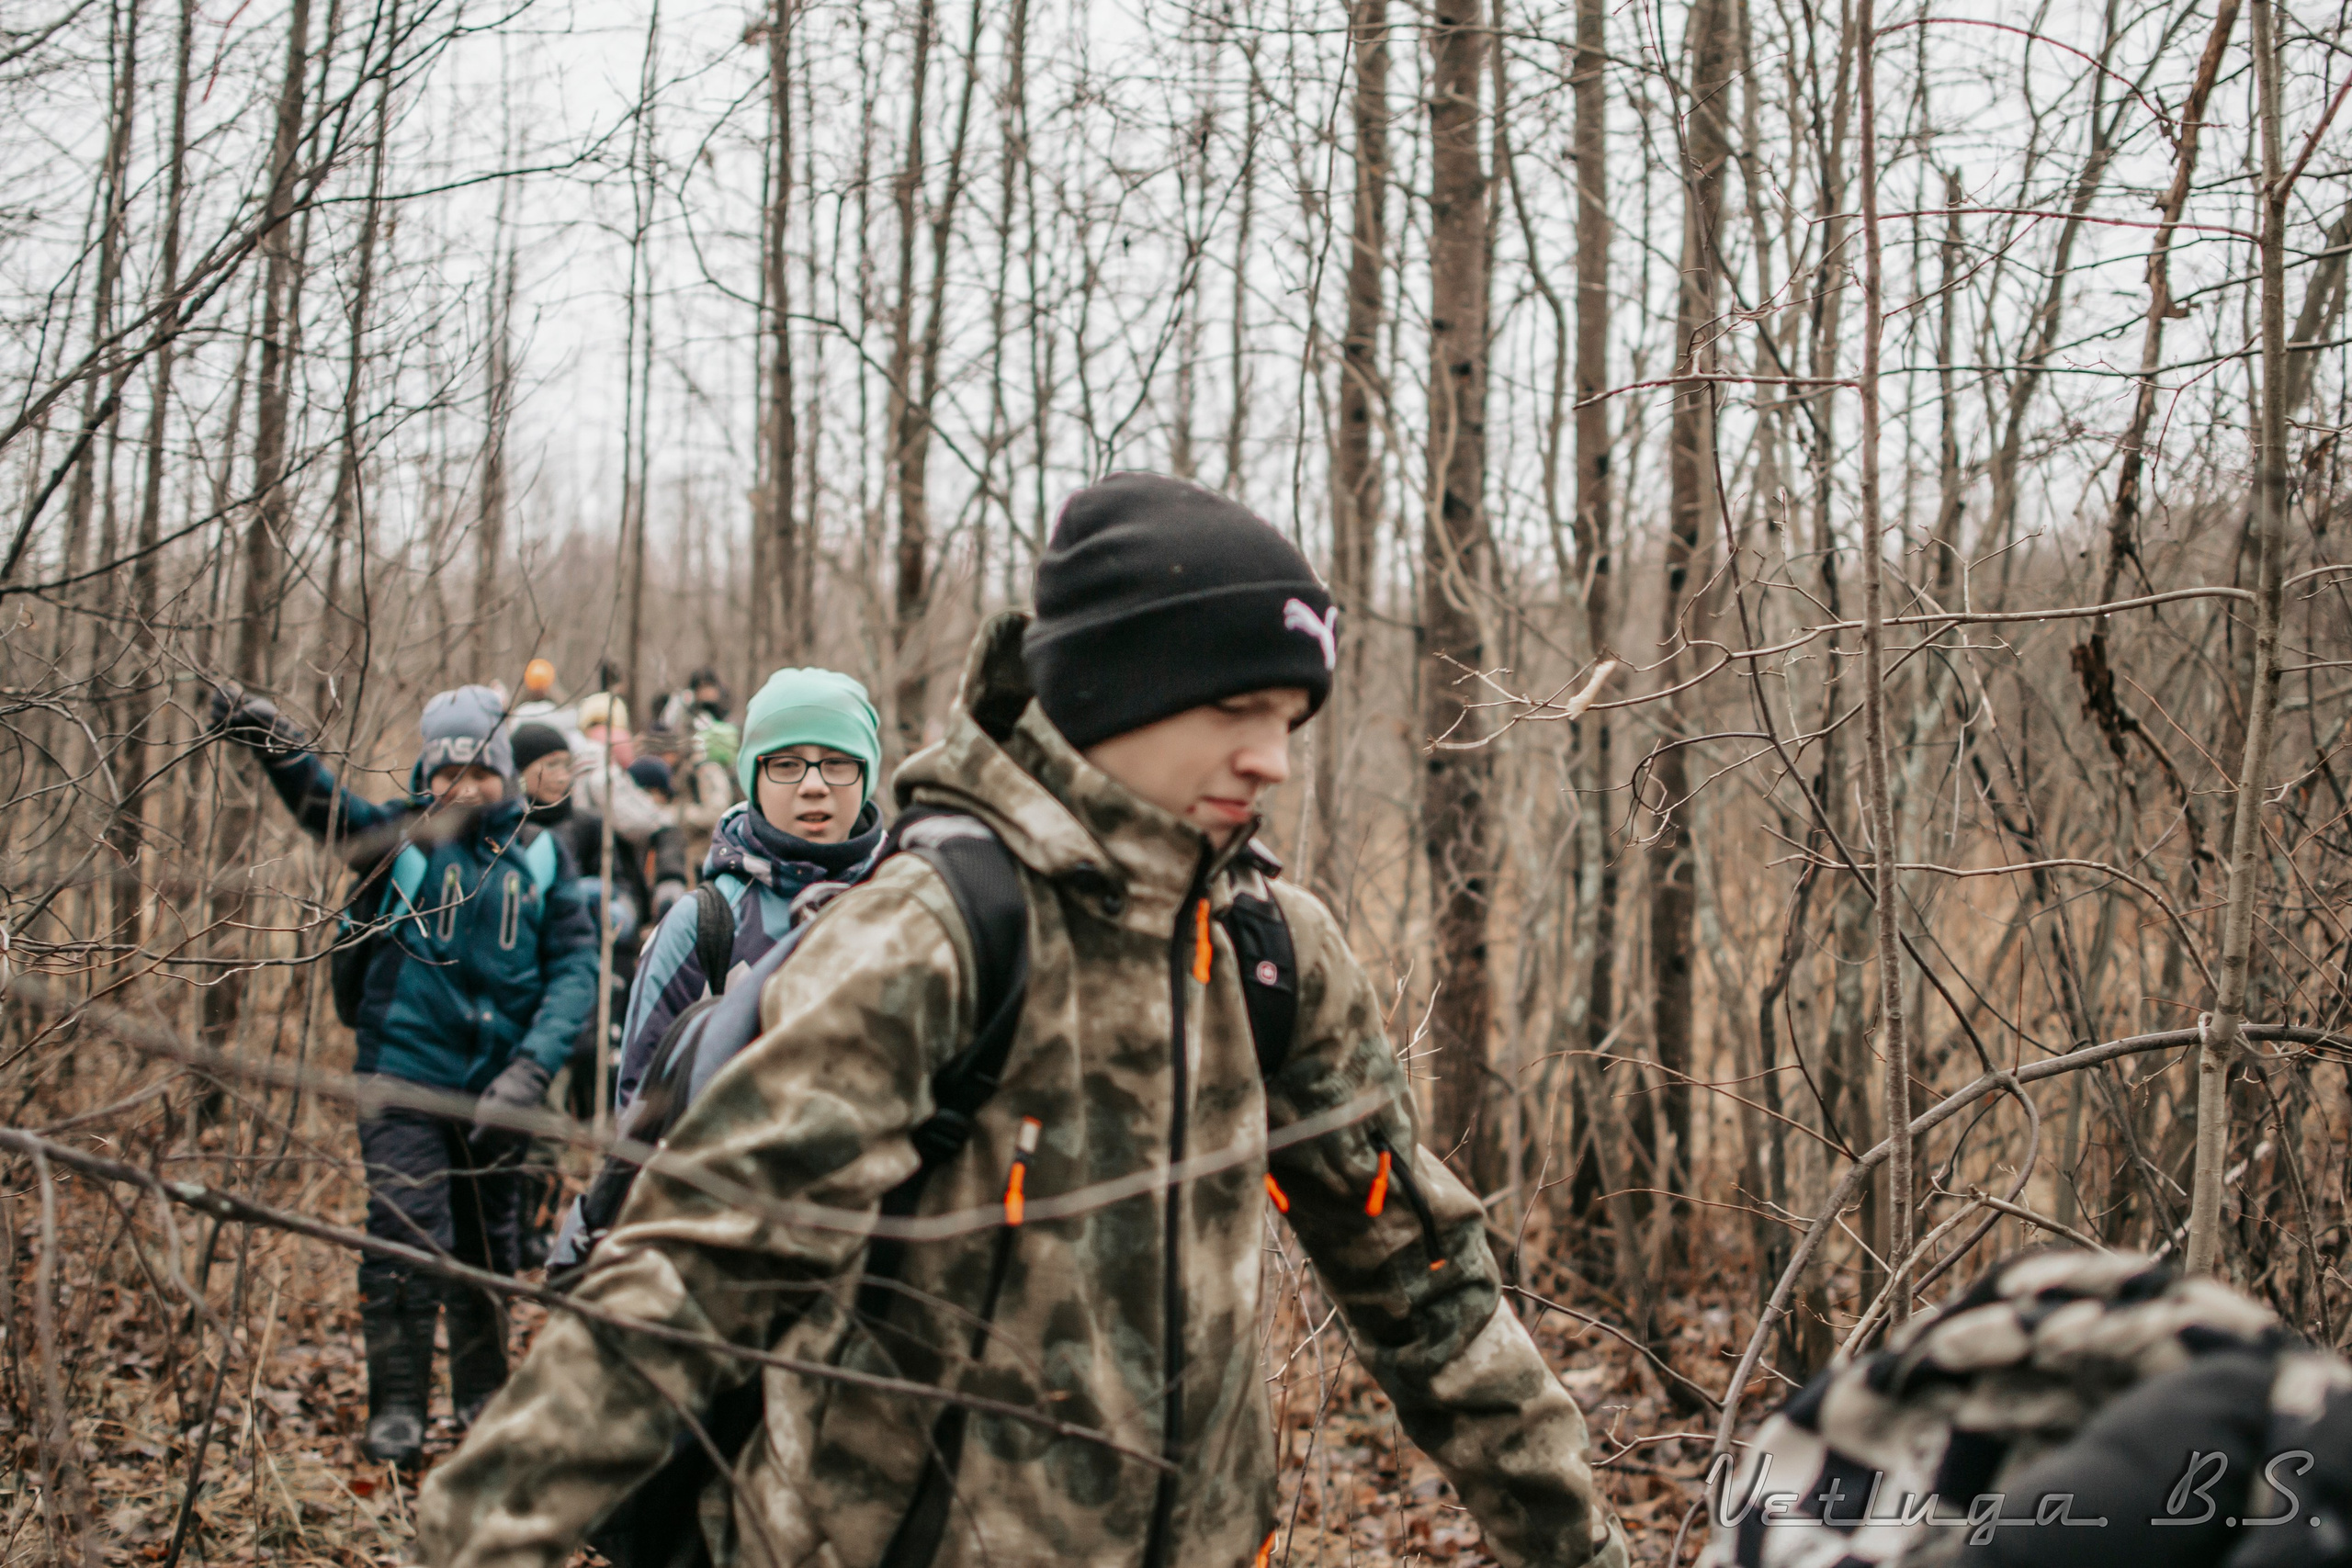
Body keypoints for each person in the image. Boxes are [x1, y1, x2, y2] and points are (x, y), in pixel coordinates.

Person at [418, 473, 1626, 1568]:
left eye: (1290, 721)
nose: (1272, 760)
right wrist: (485, 1534)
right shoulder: (936, 933)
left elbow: (1427, 1286)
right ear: (1117, 692)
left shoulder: (1273, 953)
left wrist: (1583, 1546)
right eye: (1237, 708)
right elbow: (693, 1268)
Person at [210, 683, 599, 1471]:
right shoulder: (399, 837)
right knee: (405, 1235)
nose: (463, 788)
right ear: (427, 775)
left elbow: (576, 967)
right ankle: (397, 1408)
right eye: (447, 773)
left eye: (479, 772)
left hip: (503, 1090)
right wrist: (277, 746)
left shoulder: (543, 855)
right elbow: (326, 808)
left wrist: (532, 1069)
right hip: (402, 1076)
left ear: (503, 773)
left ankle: (481, 1396)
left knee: (488, 1248)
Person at [612, 667, 886, 1109]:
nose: (814, 786)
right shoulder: (703, 926)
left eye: (838, 762)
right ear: (754, 778)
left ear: (866, 775)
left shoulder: (904, 904)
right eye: (786, 765)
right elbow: (640, 1109)